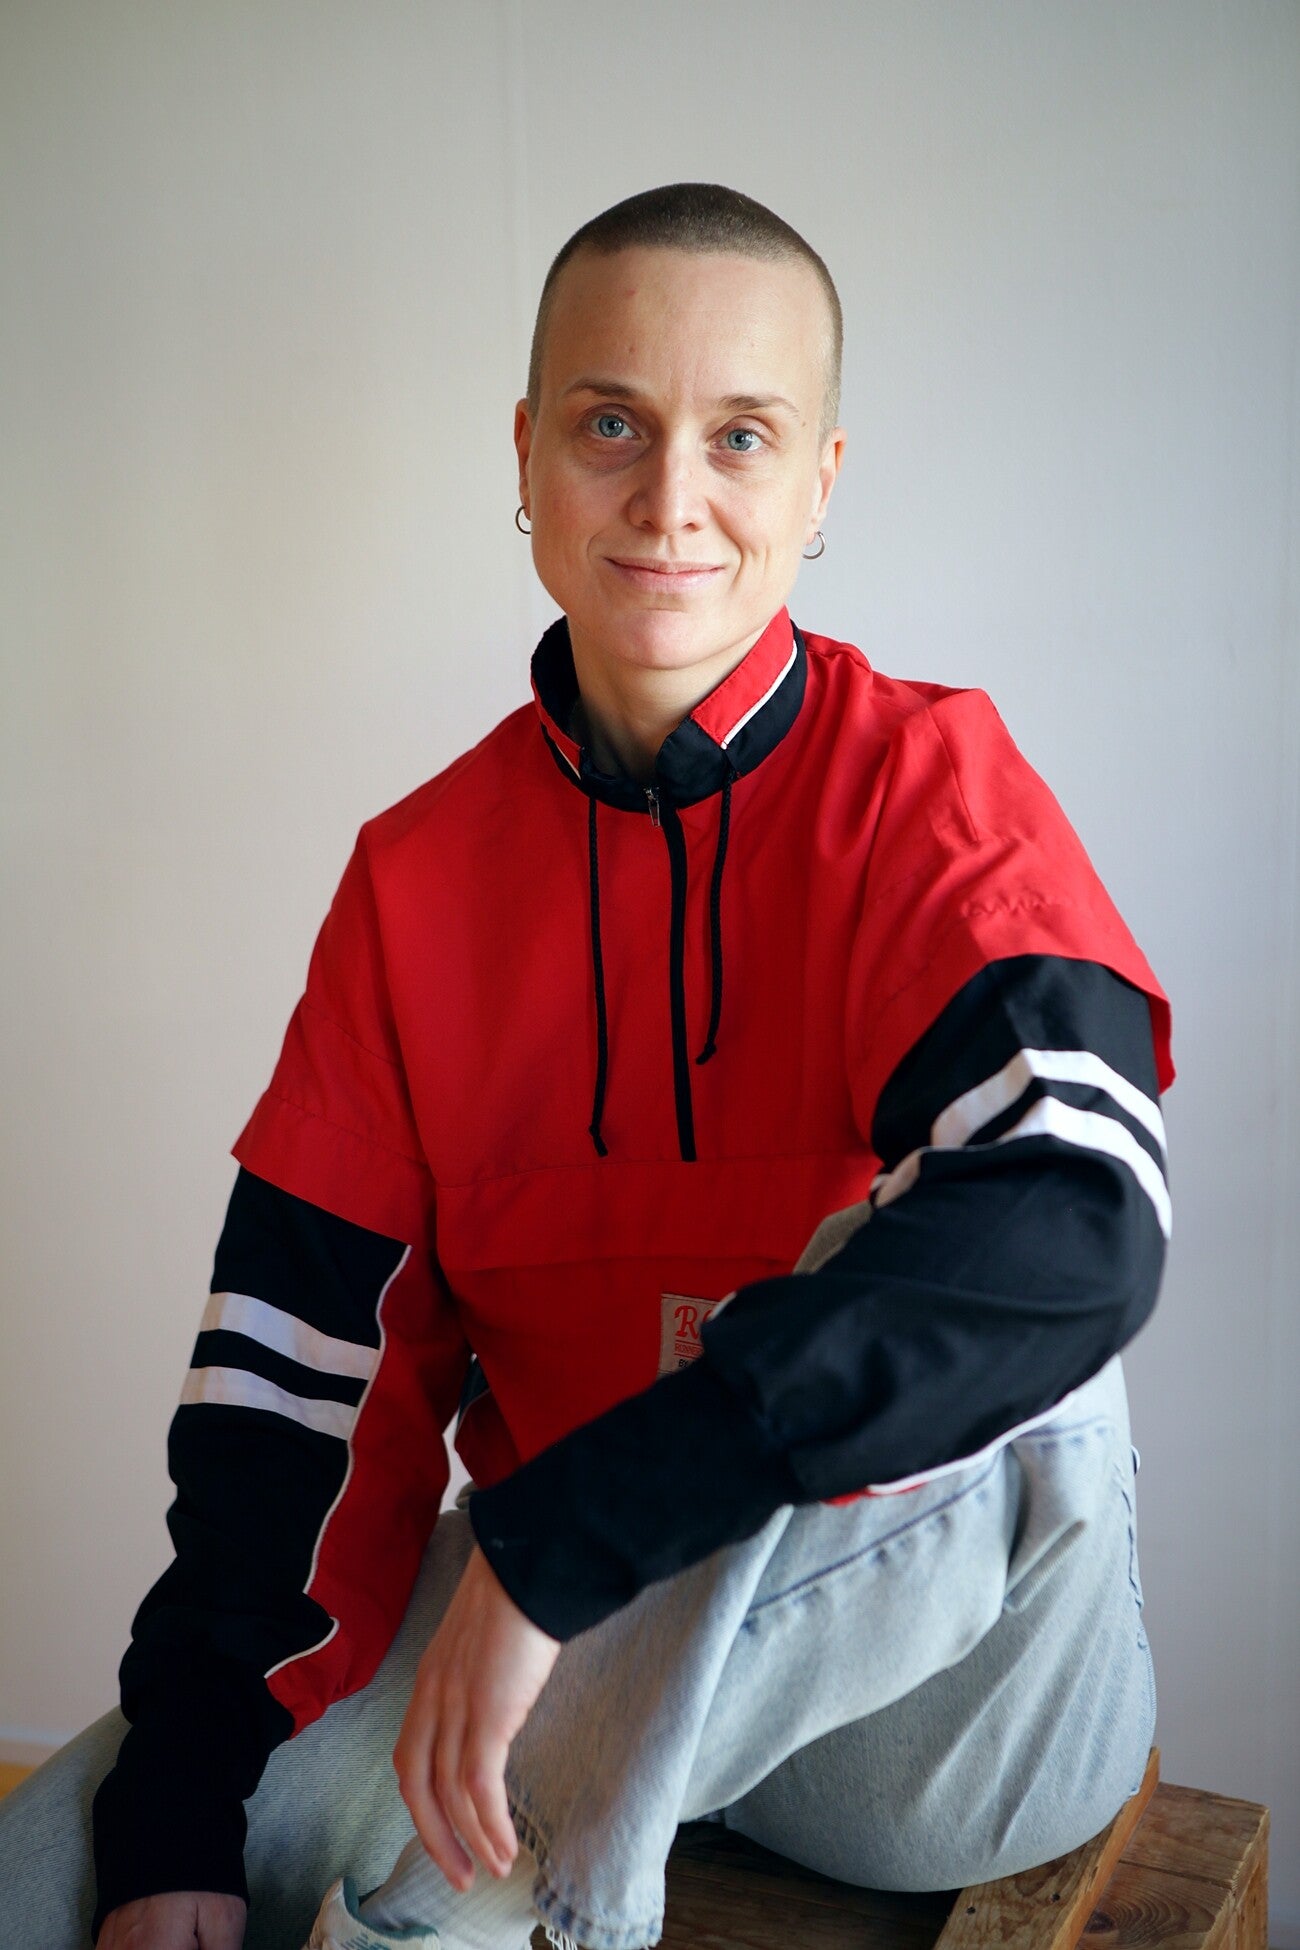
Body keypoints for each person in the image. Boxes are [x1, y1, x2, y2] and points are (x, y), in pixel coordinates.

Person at [0, 183, 1172, 1950]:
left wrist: (565, 1537)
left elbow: (1082, 1226)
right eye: (612, 423)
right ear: (529, 457)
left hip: (938, 1730)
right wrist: (179, 1805)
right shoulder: (415, 882)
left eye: (741, 435)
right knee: (71, 1857)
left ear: (821, 483)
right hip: (574, 1657)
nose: (670, 495)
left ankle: (458, 1910)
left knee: (992, 1267)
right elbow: (296, 1391)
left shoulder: (934, 794)